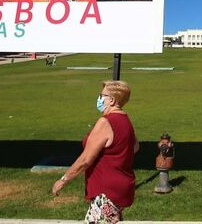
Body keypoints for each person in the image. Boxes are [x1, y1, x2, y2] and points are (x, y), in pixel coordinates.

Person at [53, 80, 139, 224]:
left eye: (102, 95)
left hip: (106, 191)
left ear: (111, 100)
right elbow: (135, 147)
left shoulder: (106, 122)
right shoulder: (125, 120)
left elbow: (85, 159)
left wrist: (63, 180)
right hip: (121, 189)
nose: (99, 98)